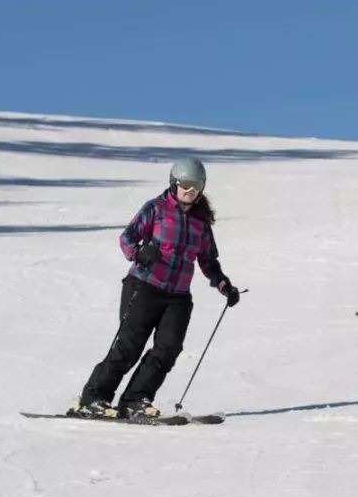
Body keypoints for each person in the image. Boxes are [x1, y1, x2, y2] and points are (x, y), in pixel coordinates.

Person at [72, 157, 241, 420]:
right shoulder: (156, 209)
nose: (190, 190)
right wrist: (140, 252)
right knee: (129, 347)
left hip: (178, 297)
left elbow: (208, 260)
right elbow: (127, 238)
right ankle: (93, 398)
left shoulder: (201, 223)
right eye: (185, 184)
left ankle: (135, 400)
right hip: (144, 287)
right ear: (174, 183)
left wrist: (223, 284)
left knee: (168, 349)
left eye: (197, 185)